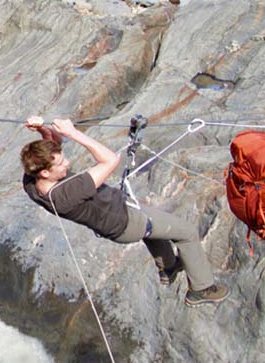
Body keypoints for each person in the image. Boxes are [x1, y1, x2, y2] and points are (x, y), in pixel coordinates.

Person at [20, 115, 228, 307]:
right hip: (126, 222)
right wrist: (73, 133)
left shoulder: (32, 181)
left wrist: (42, 129)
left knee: (154, 227)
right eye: (61, 163)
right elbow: (110, 160)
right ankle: (201, 289)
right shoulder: (65, 194)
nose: (68, 163)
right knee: (187, 233)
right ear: (46, 172)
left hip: (117, 215)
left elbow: (52, 145)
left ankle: (168, 267)